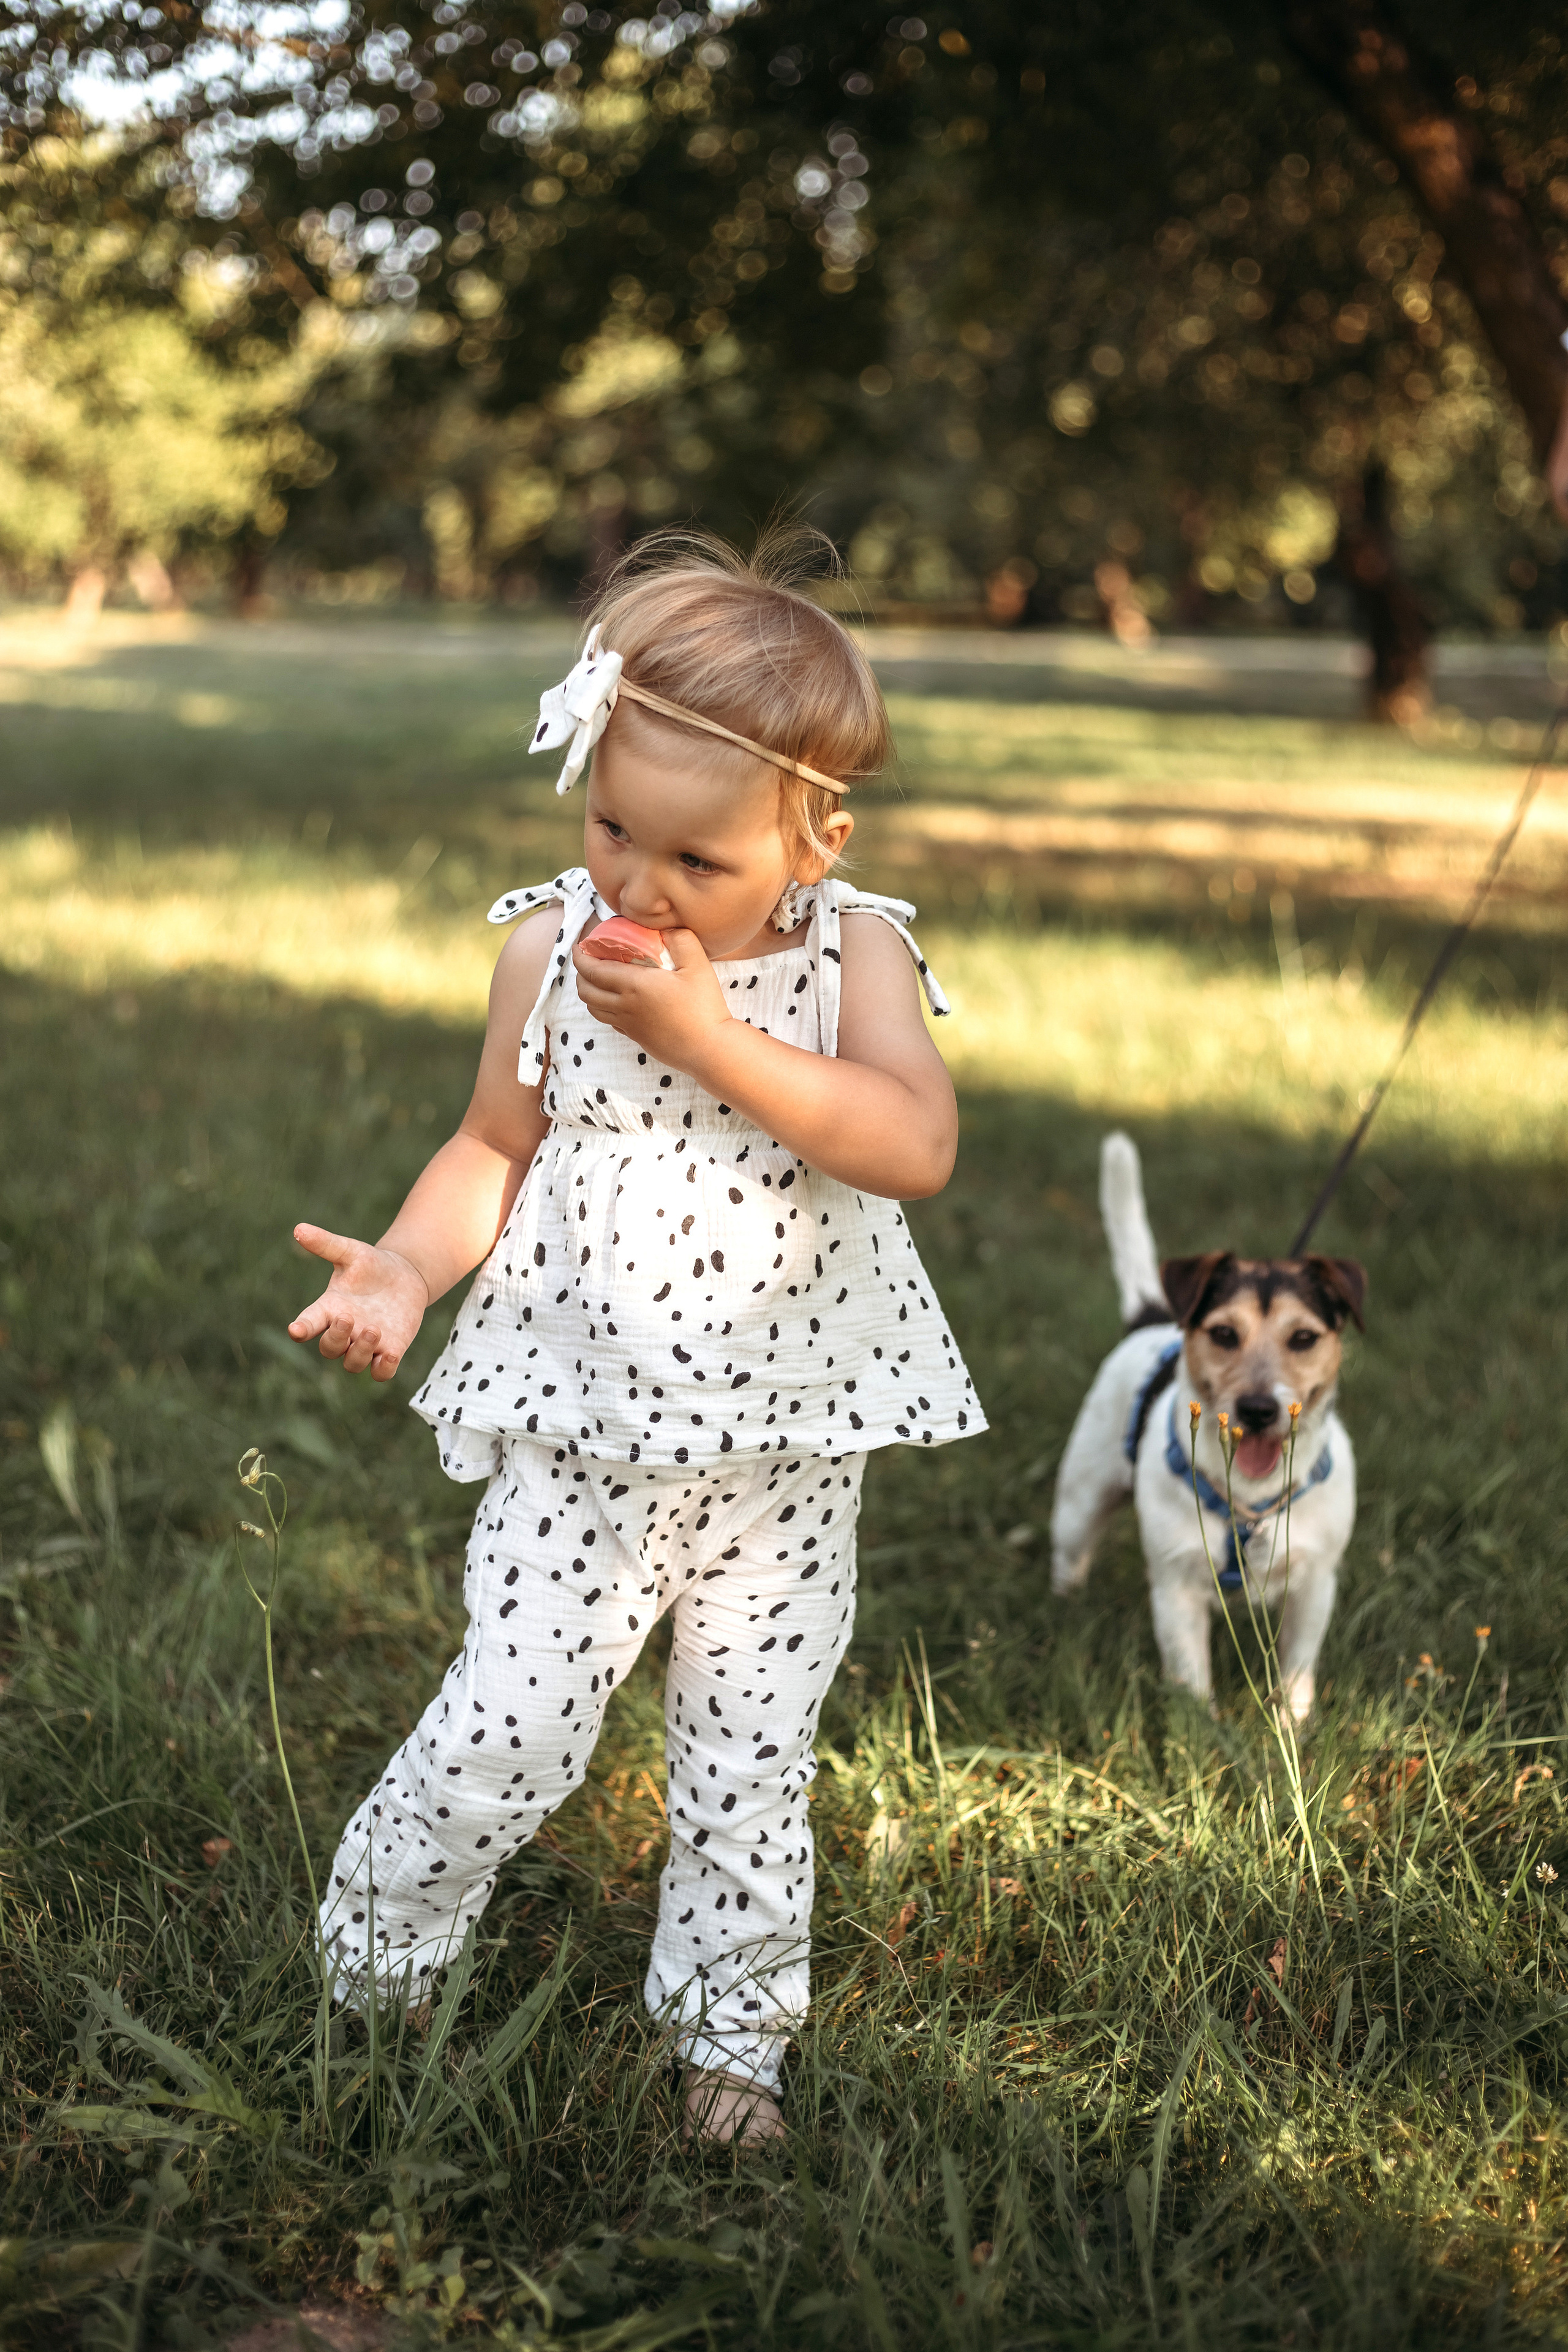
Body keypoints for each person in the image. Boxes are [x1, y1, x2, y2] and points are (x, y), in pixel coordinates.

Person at [288, 527, 986, 2146]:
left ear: (814, 840)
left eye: (695, 860)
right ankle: (374, 1963)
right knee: (514, 1724)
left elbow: (909, 1142)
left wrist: (707, 1033)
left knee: (748, 1750)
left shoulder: (852, 951)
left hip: (788, 1443)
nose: (637, 886)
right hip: (585, 1427)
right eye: (613, 827)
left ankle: (731, 2038)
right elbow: (488, 1149)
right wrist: (403, 1267)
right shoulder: (546, 947)